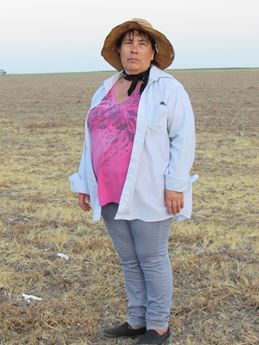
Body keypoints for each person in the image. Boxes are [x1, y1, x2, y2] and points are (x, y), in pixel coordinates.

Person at [69, 18, 196, 345]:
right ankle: (137, 319)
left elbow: (183, 138)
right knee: (129, 259)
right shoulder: (105, 88)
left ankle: (158, 326)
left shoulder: (168, 88)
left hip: (150, 189)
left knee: (152, 258)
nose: (134, 48)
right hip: (110, 190)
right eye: (128, 43)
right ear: (119, 50)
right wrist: (84, 182)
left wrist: (175, 184)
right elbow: (91, 137)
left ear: (153, 51)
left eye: (141, 43)